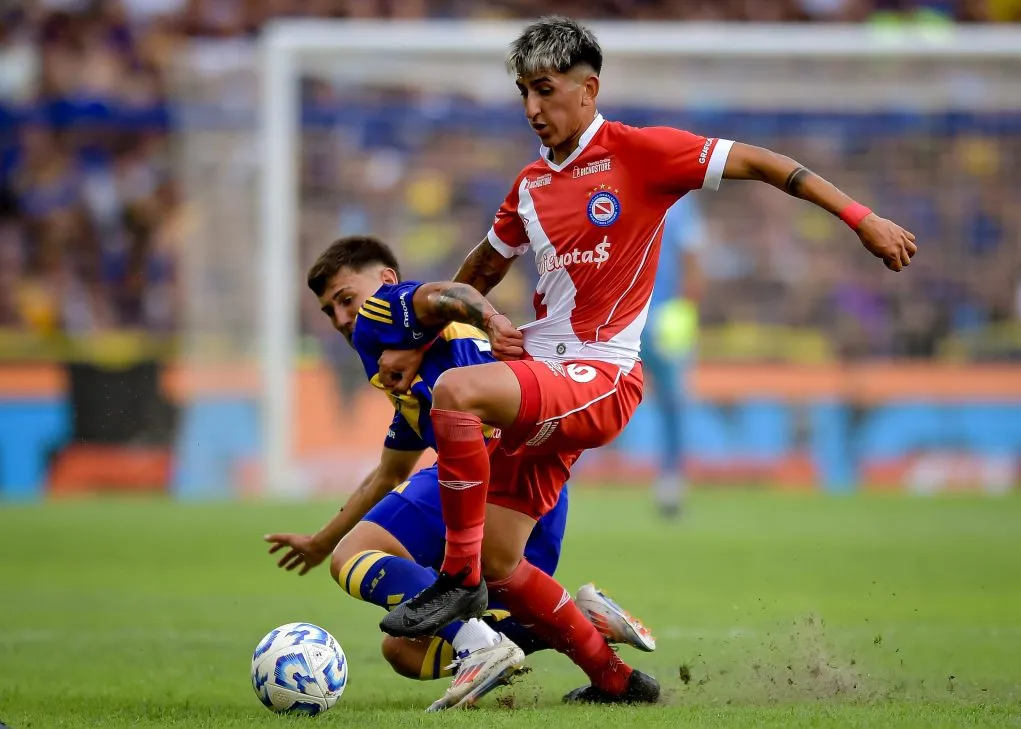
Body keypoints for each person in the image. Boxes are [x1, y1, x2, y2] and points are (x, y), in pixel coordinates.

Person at [377, 15, 916, 706]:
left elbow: (762, 163)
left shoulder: (642, 154)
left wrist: (861, 218)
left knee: (456, 391)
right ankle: (617, 680)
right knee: (503, 560)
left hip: (600, 374)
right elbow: (480, 267)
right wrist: (420, 337)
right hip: (549, 374)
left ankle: (454, 581)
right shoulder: (530, 186)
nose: (533, 108)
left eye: (545, 90)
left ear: (588, 89)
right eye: (523, 93)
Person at [263, 236, 654, 711]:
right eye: (330, 311)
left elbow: (450, 293)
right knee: (405, 651)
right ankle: (595, 646)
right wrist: (319, 539)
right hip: (529, 488)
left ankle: (480, 647)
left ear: (385, 281)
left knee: (354, 557)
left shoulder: (393, 307)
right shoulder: (409, 376)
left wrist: (491, 318)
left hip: (480, 463)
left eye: (346, 299)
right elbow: (388, 474)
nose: (343, 318)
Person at [644, 194, 706, 517]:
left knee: (673, 402)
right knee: (595, 394)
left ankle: (672, 480)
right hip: (625, 318)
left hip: (665, 319)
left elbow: (693, 261)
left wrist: (685, 312)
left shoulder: (681, 205)